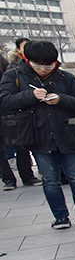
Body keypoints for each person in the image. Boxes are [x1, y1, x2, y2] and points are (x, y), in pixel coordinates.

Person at [0, 41, 75, 228]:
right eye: (38, 65)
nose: (43, 69)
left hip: (68, 133)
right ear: (27, 60)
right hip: (37, 135)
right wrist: (30, 96)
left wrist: (60, 99)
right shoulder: (15, 76)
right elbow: (5, 102)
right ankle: (60, 218)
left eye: (49, 65)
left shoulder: (65, 78)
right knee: (50, 180)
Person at [3, 37, 39, 188]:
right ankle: (8, 179)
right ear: (18, 50)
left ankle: (27, 176)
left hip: (16, 112)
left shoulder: (17, 68)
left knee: (21, 145)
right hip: (8, 107)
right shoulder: (12, 69)